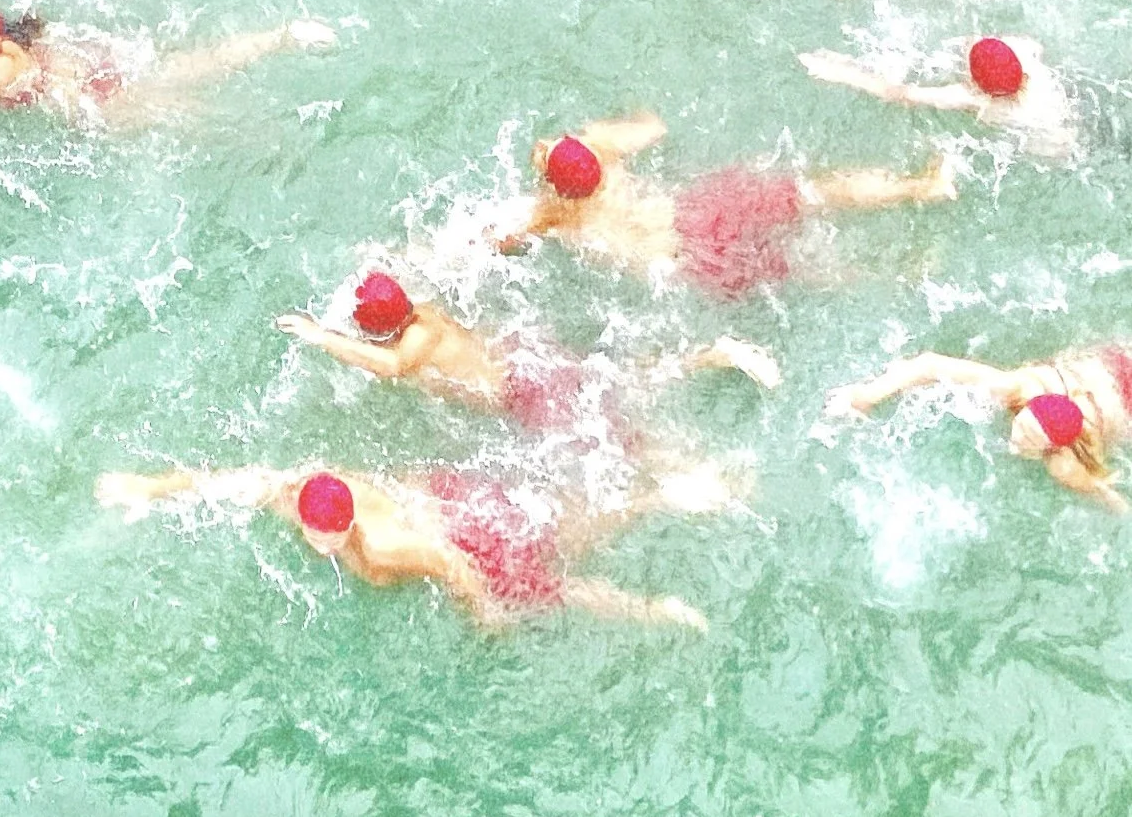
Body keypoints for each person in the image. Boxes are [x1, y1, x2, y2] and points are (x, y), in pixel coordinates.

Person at [94, 460, 717, 632]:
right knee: (559, 531)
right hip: (454, 501)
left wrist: (486, 617)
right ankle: (656, 496)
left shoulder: (385, 547)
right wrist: (150, 488)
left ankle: (653, 609)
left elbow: (451, 565)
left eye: (322, 536)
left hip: (465, 542)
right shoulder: (303, 491)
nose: (313, 542)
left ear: (338, 529)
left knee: (557, 587)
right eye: (311, 529)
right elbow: (230, 481)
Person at [497, 113, 957, 300]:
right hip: (702, 212)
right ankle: (921, 187)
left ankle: (902, 275)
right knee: (811, 193)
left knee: (798, 268)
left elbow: (501, 237)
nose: (542, 143)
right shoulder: (605, 156)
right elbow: (653, 125)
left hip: (689, 261)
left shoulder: (554, 213)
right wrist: (596, 132)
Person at [278, 271, 778, 432]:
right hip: (520, 360)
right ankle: (711, 355)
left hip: (524, 390)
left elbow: (389, 366)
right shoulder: (422, 313)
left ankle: (716, 356)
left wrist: (321, 336)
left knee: (623, 399)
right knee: (615, 381)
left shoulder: (413, 343)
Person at [0, 0, 337, 129]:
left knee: (197, 118)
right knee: (192, 68)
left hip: (98, 98)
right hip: (91, 68)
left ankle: (278, 125)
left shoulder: (1, 63)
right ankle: (284, 37)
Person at [821, 343, 1130, 511]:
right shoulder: (1014, 388)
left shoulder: (1063, 463)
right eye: (1022, 427)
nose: (1015, 439)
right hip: (1109, 366)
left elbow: (1107, 496)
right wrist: (865, 396)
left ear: (1050, 447)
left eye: (1028, 440)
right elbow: (929, 364)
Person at [799, 36, 1078, 161]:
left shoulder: (973, 98)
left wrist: (840, 72)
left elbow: (901, 95)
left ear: (976, 84)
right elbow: (1032, 44)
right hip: (1070, 115)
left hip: (1054, 148)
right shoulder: (1028, 58)